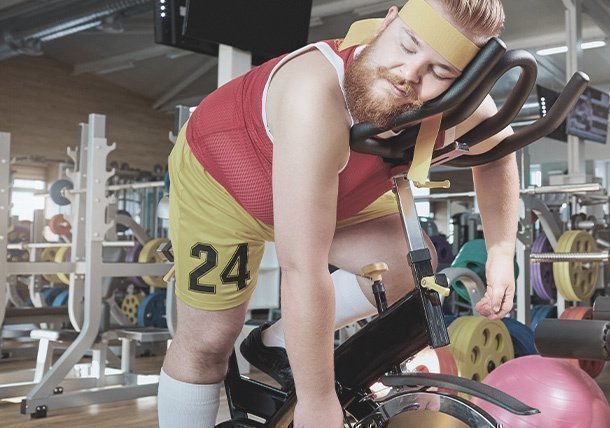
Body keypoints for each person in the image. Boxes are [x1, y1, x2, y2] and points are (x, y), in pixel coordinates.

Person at [157, 0, 517, 426]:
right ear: (387, 22)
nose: (409, 74)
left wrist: (500, 249)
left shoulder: (459, 105)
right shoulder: (315, 92)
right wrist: (316, 400)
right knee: (208, 342)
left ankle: (279, 344)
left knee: (405, 265)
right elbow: (302, 267)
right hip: (224, 181)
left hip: (340, 185)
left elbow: (495, 156)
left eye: (440, 72)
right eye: (407, 45)